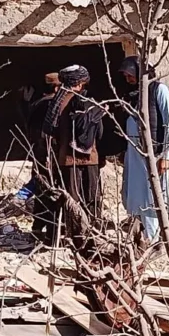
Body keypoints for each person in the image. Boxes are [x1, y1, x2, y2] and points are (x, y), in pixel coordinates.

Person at [118, 57, 169, 244]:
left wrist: (167, 156)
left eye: (130, 75)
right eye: (125, 76)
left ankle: (153, 237)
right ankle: (138, 230)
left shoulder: (159, 90)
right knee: (133, 192)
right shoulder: (134, 95)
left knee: (151, 194)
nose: (128, 79)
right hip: (134, 153)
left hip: (153, 153)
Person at [43, 65, 104, 240]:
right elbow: (99, 133)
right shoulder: (90, 102)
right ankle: (93, 236)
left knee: (70, 200)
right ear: (79, 83)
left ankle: (72, 236)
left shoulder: (57, 103)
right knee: (92, 199)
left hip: (66, 160)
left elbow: (50, 131)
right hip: (90, 158)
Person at [21, 72, 60, 243]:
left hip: (38, 154)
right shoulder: (53, 106)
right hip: (51, 156)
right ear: (58, 87)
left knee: (40, 191)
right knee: (53, 192)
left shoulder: (35, 105)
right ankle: (53, 232)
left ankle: (37, 227)